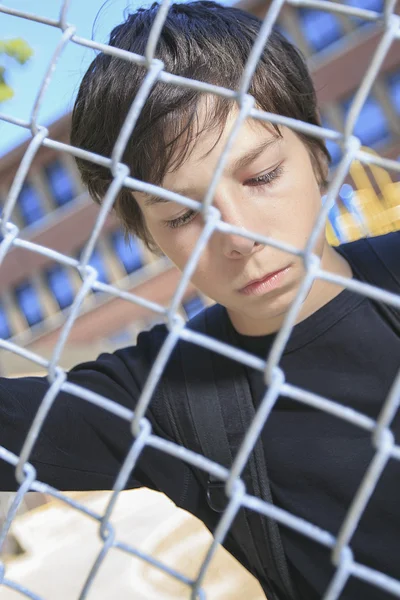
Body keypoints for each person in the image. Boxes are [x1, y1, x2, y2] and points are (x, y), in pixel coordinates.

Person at [0, 2, 399, 599]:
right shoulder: (166, 394)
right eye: (184, 215)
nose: (238, 237)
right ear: (145, 234)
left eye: (261, 176)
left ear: (317, 148)